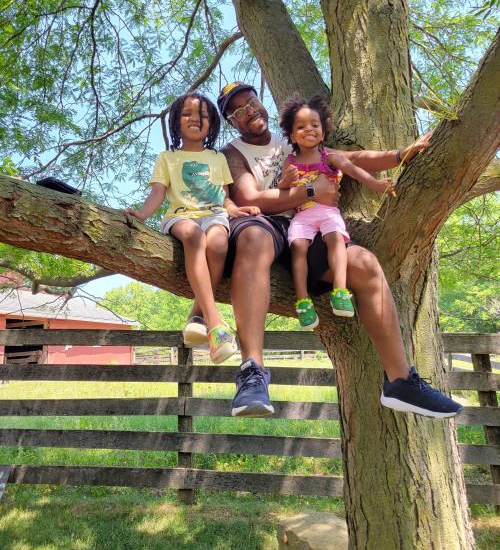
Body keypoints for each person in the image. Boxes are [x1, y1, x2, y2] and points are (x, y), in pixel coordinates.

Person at [217, 81, 462, 419]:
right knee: (254, 238)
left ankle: (401, 381)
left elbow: (350, 159)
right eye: (238, 111)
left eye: (251, 102)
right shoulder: (232, 153)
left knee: (363, 261)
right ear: (232, 122)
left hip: (307, 228)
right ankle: (252, 373)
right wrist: (311, 193)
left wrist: (399, 155)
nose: (249, 112)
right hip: (265, 226)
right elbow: (250, 199)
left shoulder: (292, 141)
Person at [126, 91, 259, 364]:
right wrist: (141, 214)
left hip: (215, 215)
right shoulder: (168, 158)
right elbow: (158, 193)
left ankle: (195, 317)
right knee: (195, 237)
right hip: (181, 216)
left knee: (220, 243)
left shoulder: (217, 157)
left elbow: (223, 194)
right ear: (176, 122)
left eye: (202, 115)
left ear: (212, 123)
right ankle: (215, 323)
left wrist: (233, 210)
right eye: (187, 114)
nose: (195, 119)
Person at [278, 93, 395, 327]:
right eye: (301, 127)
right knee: (298, 248)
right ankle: (303, 301)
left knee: (335, 240)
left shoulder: (329, 157)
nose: (309, 130)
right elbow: (283, 190)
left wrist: (377, 184)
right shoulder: (290, 161)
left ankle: (340, 292)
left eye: (314, 125)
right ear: (292, 135)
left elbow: (353, 169)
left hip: (327, 211)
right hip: (302, 215)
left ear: (323, 130)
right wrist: (285, 180)